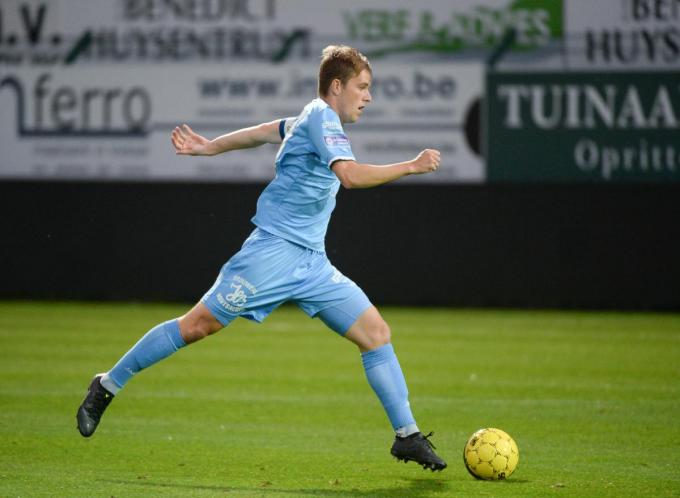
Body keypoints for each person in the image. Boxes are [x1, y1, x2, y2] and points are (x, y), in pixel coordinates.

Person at [76, 45, 446, 471]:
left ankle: (407, 435)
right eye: (363, 87)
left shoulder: (311, 118)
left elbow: (267, 130)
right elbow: (350, 176)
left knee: (375, 333)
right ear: (337, 86)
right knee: (196, 326)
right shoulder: (322, 118)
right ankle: (106, 385)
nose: (368, 96)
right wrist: (412, 166)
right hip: (270, 255)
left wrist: (211, 146)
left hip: (311, 264)